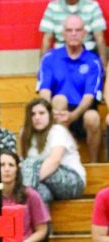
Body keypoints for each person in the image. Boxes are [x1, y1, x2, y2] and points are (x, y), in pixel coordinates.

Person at [38, 14, 103, 161]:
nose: (73, 33)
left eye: (78, 30)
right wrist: (54, 113)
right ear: (63, 33)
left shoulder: (93, 61)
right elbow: (44, 91)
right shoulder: (49, 58)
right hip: (56, 113)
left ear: (84, 33)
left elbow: (89, 96)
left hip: (82, 112)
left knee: (93, 117)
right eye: (69, 30)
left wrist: (73, 115)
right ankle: (64, 162)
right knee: (59, 100)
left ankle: (94, 164)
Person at [19, 97, 85, 204]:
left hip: (72, 181)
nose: (37, 117)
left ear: (50, 115)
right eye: (33, 114)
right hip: (42, 180)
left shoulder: (57, 131)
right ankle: (44, 221)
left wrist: (28, 183)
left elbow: (54, 161)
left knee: (31, 164)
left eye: (41, 113)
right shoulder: (24, 134)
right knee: (41, 193)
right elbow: (21, 162)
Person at [39, 0, 107, 65]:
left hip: (87, 55)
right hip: (61, 57)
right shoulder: (52, 8)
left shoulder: (92, 6)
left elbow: (100, 38)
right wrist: (42, 67)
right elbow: (46, 40)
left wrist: (104, 68)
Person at [0, 150, 50, 242]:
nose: (7, 169)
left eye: (11, 165)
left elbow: (42, 230)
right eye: (2, 165)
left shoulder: (31, 195)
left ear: (17, 170)